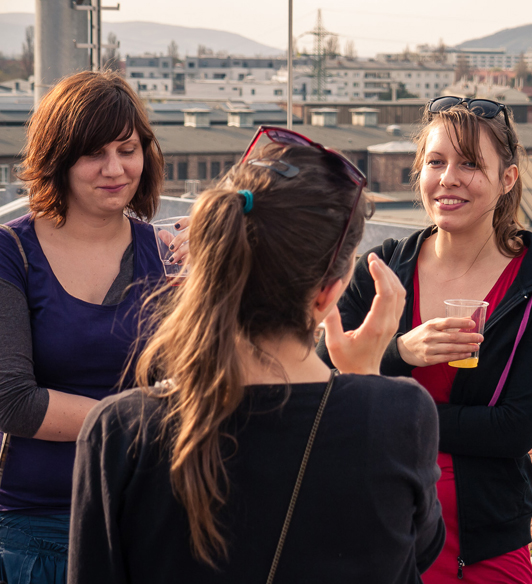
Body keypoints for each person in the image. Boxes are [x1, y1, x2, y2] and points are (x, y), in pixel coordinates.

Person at [68, 128, 445, 583]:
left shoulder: (119, 431)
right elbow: (417, 551)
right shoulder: (398, 415)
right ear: (327, 295)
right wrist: (365, 377)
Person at [318, 96, 532, 582]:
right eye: (436, 162)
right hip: (374, 525)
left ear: (508, 179)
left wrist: (385, 407)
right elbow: (319, 371)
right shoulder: (384, 268)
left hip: (479, 543)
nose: (449, 178)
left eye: (471, 164)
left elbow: (514, 430)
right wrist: (400, 352)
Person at [0, 70, 165, 583]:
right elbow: (13, 402)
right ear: (59, 158)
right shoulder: (13, 252)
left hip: (150, 520)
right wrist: (143, 421)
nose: (115, 169)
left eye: (127, 148)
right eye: (94, 152)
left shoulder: (168, 255)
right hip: (39, 530)